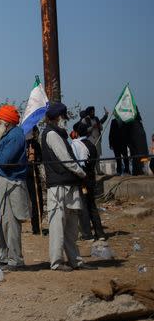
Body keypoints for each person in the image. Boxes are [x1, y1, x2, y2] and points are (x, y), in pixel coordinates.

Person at [40, 102, 88, 271]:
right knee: (57, 227)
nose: (65, 121)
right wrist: (82, 173)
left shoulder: (59, 134)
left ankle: (76, 261)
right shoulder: (51, 134)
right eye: (63, 118)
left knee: (71, 229)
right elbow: (66, 159)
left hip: (69, 185)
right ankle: (57, 262)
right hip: (59, 187)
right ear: (58, 118)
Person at [0, 105, 30, 271]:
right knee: (3, 221)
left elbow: (5, 159)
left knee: (11, 223)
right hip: (3, 181)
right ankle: (4, 257)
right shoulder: (7, 134)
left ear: (6, 122)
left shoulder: (16, 136)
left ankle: (15, 260)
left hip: (12, 183)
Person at [73, 122, 107, 241]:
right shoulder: (91, 145)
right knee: (92, 205)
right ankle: (100, 233)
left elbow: (76, 163)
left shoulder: (77, 145)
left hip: (83, 179)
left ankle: (87, 234)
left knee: (84, 206)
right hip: (92, 178)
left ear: (76, 132)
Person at [25, 126, 45, 235]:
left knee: (37, 201)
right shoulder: (22, 144)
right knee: (31, 201)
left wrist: (35, 159)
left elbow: (40, 158)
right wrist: (28, 158)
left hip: (33, 174)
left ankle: (37, 226)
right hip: (24, 175)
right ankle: (35, 226)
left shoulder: (35, 144)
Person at [80, 106, 108, 174]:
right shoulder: (85, 120)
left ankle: (98, 171)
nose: (93, 112)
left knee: (97, 156)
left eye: (93, 111)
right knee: (91, 156)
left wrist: (105, 116)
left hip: (97, 139)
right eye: (91, 111)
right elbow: (83, 130)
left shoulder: (96, 119)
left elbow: (101, 127)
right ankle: (92, 171)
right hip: (90, 140)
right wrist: (92, 127)